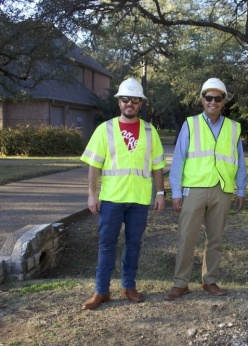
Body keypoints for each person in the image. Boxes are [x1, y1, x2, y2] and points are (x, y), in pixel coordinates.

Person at [80, 78, 166, 310]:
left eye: (135, 100)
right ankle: (101, 291)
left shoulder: (150, 131)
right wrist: (91, 194)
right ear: (119, 102)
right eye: (125, 99)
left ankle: (129, 286)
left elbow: (157, 166)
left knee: (133, 244)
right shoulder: (104, 129)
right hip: (111, 199)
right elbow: (94, 166)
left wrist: (160, 193)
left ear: (140, 104)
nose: (130, 103)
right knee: (106, 245)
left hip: (139, 200)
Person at [164, 78, 247, 300]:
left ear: (223, 101)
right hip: (194, 189)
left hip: (222, 189)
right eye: (208, 98)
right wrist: (176, 192)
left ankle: (209, 280)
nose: (212, 102)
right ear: (202, 100)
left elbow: (239, 160)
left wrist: (241, 189)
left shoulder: (233, 127)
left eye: (217, 98)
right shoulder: (190, 124)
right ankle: (180, 283)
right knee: (186, 238)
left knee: (215, 239)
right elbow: (179, 159)